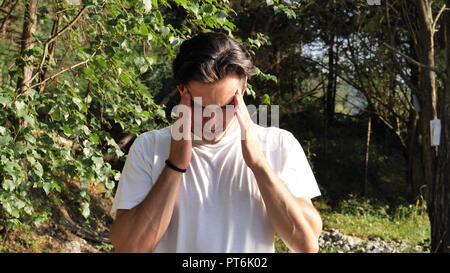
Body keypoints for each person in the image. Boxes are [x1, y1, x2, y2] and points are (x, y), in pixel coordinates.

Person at [109, 32, 322, 253]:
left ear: (244, 89)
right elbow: (128, 247)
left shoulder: (279, 144)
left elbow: (306, 245)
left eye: (227, 105)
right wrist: (174, 165)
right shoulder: (148, 147)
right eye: (201, 107)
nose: (213, 120)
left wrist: (259, 164)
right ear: (182, 91)